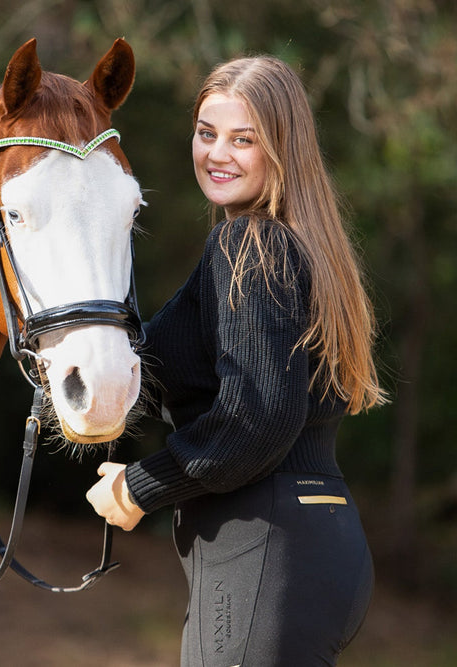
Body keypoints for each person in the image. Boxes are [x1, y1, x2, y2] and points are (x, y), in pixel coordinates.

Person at [86, 54, 388, 666]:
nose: (217, 154)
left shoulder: (250, 243)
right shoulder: (299, 244)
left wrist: (140, 486)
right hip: (316, 537)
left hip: (265, 547)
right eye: (207, 133)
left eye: (243, 139)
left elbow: (256, 419)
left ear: (282, 149)